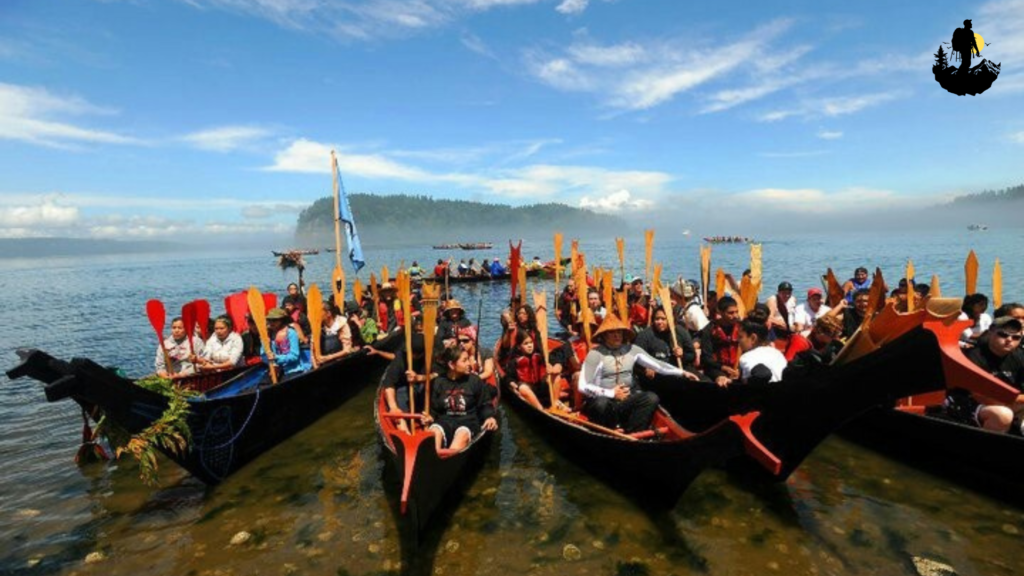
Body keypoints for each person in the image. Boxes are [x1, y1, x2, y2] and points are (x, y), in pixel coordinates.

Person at [579, 314, 699, 433]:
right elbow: (583, 386)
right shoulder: (595, 354)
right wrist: (612, 393)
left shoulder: (632, 349)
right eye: (612, 332)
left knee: (651, 398)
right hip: (603, 403)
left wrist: (682, 373)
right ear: (604, 335)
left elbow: (657, 365)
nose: (617, 336)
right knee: (601, 403)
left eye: (619, 332)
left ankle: (634, 433)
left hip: (625, 400)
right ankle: (606, 432)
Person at [945, 317, 1024, 433]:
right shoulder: (973, 357)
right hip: (969, 403)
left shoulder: (1020, 356)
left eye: (1016, 337)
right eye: (1003, 335)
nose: (1009, 340)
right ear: (990, 332)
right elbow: (981, 396)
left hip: (1011, 402)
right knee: (1002, 414)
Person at [422, 345, 498, 451]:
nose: (469, 364)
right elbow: (434, 408)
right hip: (444, 421)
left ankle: (449, 458)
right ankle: (436, 457)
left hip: (468, 422)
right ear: (451, 365)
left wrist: (489, 416)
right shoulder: (438, 382)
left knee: (461, 435)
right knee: (434, 432)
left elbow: (485, 403)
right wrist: (430, 417)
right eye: (464, 360)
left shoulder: (474, 381)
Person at [382, 333, 430, 432]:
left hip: (426, 387)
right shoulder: (401, 357)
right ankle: (406, 435)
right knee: (399, 416)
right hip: (403, 388)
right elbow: (389, 383)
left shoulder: (431, 356)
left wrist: (419, 378)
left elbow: (437, 375)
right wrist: (393, 407)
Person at [635, 305, 697, 372]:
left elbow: (692, 356)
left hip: (677, 373)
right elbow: (637, 357)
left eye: (663, 319)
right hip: (656, 375)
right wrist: (646, 369)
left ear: (671, 319)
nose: (659, 322)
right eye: (657, 319)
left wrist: (682, 355)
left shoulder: (681, 332)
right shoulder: (645, 335)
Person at [783, 315, 844, 379]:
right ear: (819, 331)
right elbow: (787, 366)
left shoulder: (821, 343)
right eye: (832, 335)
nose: (835, 339)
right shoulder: (800, 342)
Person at [699, 296, 742, 387]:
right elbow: (706, 358)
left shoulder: (742, 328)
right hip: (716, 368)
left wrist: (739, 368)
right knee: (722, 381)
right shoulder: (709, 329)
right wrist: (723, 368)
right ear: (720, 313)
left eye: (736, 312)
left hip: (738, 367)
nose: (735, 316)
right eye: (730, 313)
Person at [506, 330, 551, 409]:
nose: (530, 346)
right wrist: (514, 387)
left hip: (540, 386)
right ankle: (540, 408)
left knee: (552, 377)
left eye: (531, 343)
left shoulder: (539, 356)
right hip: (528, 388)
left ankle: (555, 402)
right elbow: (508, 378)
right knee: (523, 388)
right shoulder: (515, 361)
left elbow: (546, 368)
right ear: (519, 347)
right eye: (526, 344)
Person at [263, 307, 311, 377]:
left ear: (281, 320)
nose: (271, 323)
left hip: (292, 370)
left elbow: (294, 356)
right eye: (269, 320)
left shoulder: (291, 333)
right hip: (275, 370)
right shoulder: (269, 335)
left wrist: (277, 358)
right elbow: (264, 355)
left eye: (274, 320)